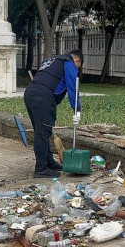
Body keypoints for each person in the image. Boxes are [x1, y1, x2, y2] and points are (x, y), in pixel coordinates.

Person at [24, 49, 83, 178]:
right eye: (78, 67)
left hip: (30, 93)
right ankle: (41, 169)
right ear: (77, 61)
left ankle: (49, 162)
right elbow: (73, 86)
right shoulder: (69, 63)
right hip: (43, 96)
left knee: (43, 130)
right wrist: (77, 109)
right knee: (42, 132)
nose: (76, 69)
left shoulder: (51, 61)